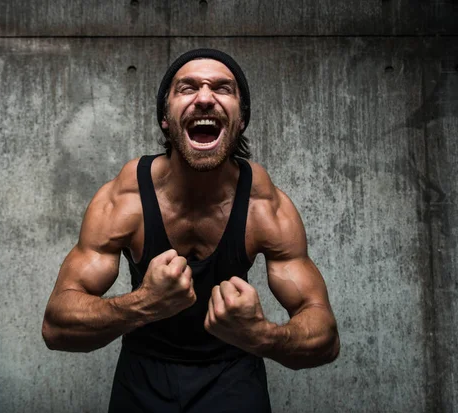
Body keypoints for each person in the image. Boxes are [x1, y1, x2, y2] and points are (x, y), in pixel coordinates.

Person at [42, 49, 340, 412]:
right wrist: (143, 304)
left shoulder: (265, 207)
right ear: (165, 119)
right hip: (142, 379)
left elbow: (325, 337)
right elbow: (56, 327)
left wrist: (261, 335)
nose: (203, 98)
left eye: (222, 88)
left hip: (233, 377)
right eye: (186, 88)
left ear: (241, 119)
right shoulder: (125, 199)